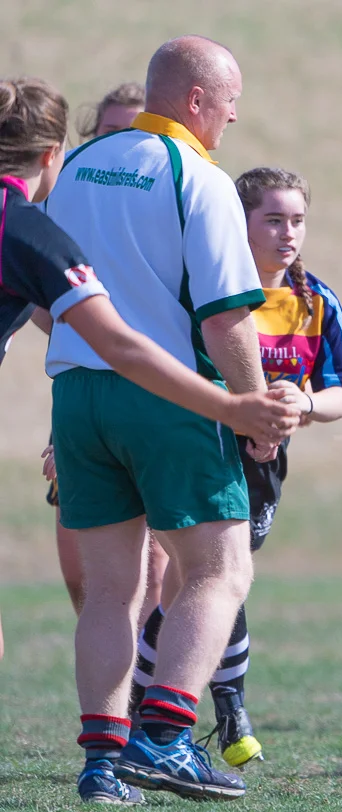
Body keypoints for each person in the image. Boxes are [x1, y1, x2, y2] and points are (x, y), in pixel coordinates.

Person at [0, 73, 296, 747]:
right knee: (220, 572)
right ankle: (163, 741)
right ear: (197, 100)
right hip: (167, 399)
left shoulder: (78, 169)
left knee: (109, 591)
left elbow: (50, 311)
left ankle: (104, 761)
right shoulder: (201, 176)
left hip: (75, 399)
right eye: (230, 99)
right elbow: (223, 319)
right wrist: (243, 407)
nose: (236, 114)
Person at [129, 166, 342, 771]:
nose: (288, 234)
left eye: (298, 221)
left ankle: (139, 701)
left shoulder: (317, 302)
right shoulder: (203, 291)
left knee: (190, 589)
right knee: (223, 576)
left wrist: (303, 403)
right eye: (273, 220)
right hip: (197, 453)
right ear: (241, 222)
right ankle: (228, 708)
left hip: (264, 463)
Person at [36, 81, 170, 630]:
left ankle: (143, 701)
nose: (122, 146)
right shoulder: (65, 208)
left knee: (154, 573)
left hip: (157, 403)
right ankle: (117, 697)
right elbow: (39, 307)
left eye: (135, 133)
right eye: (111, 132)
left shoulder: (173, 204)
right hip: (84, 402)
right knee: (84, 581)